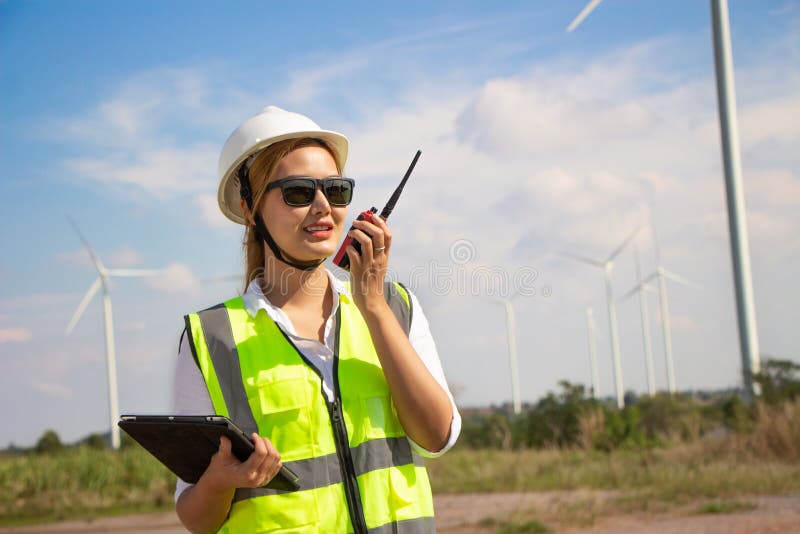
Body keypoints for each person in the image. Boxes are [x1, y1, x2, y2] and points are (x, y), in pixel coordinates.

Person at [173, 106, 461, 533]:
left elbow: (436, 437)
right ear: (249, 207)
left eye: (337, 189)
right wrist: (221, 480)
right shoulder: (211, 339)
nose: (324, 207)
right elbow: (196, 518)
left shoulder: (396, 307)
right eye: (298, 192)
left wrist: (374, 307)